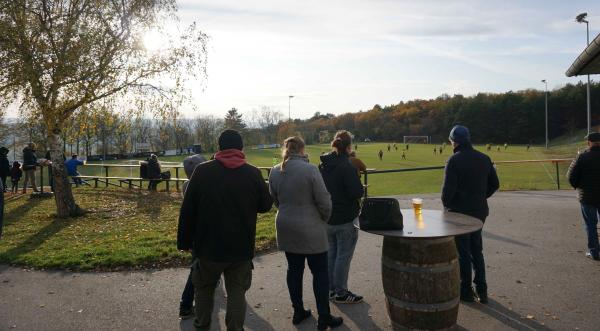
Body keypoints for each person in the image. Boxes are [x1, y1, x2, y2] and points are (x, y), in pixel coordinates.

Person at [177, 129, 272, 331]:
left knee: (203, 290)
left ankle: (202, 326)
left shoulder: (202, 171)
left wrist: (184, 242)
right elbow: (265, 205)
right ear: (241, 148)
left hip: (207, 246)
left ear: (219, 147)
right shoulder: (253, 173)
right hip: (241, 247)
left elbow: (188, 210)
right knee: (237, 292)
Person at [269, 136, 343, 330]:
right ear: (302, 150)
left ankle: (298, 311)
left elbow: (275, 199)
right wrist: (322, 219)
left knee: (294, 270)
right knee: (319, 271)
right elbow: (324, 201)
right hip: (310, 226)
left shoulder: (275, 171)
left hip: (286, 224)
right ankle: (324, 316)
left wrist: (288, 210)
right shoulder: (310, 169)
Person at [442, 125, 499, 304]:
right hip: (480, 211)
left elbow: (446, 195)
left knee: (463, 252)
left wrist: (449, 207)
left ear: (454, 141)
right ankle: (482, 290)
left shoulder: (454, 160)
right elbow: (495, 184)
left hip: (459, 213)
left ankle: (465, 290)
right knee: (477, 250)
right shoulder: (484, 158)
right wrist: (481, 197)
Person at [319, 130, 365, 304]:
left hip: (327, 217)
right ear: (348, 147)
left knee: (331, 254)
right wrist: (357, 179)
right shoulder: (346, 166)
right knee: (343, 257)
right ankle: (341, 292)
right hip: (345, 218)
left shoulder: (323, 164)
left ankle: (331, 289)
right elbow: (356, 192)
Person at [178, 152, 208, 319]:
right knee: (197, 267)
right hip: (202, 231)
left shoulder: (186, 184)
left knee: (199, 264)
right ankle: (186, 304)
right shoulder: (199, 185)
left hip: (194, 231)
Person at [567, 132, 600, 261]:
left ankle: (594, 252)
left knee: (590, 225)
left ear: (589, 142)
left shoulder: (582, 157)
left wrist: (578, 186)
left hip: (587, 196)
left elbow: (571, 176)